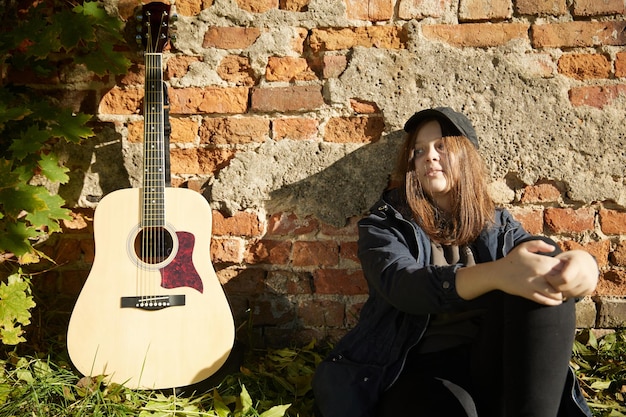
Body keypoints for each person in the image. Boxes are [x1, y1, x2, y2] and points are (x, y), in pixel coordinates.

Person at [312, 107, 599, 417]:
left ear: (467, 157)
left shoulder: (496, 222)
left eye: (442, 147)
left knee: (543, 290)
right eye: (419, 150)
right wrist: (497, 275)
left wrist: (582, 267)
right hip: (416, 366)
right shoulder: (384, 224)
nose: (429, 156)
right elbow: (402, 285)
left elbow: (537, 254)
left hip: (492, 358)